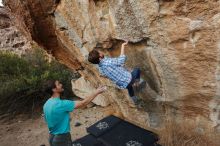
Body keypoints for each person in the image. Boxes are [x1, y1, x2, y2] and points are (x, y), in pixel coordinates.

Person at [43, 80, 106, 146]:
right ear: (54, 89)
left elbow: (48, 118)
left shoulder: (47, 103)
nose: (61, 84)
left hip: (51, 137)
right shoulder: (61, 104)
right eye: (58, 84)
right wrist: (96, 92)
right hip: (62, 137)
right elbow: (83, 103)